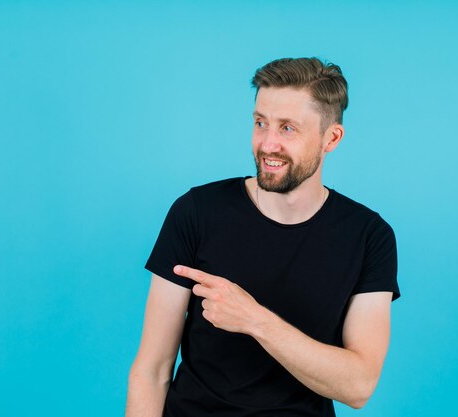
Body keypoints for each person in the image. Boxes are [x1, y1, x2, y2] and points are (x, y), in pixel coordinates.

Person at [125, 57, 400, 417]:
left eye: (288, 128)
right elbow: (152, 370)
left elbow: (359, 386)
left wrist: (254, 319)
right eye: (260, 123)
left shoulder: (369, 236)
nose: (268, 144)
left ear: (331, 138)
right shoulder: (196, 212)